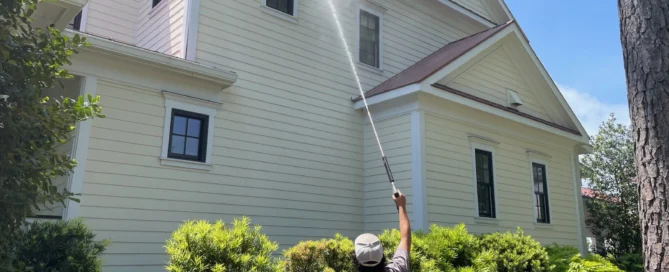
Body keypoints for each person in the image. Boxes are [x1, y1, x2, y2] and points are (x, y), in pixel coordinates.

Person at [354, 190, 410, 272]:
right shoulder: (396, 269)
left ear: (355, 260)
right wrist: (401, 205)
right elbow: (405, 239)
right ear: (382, 256)